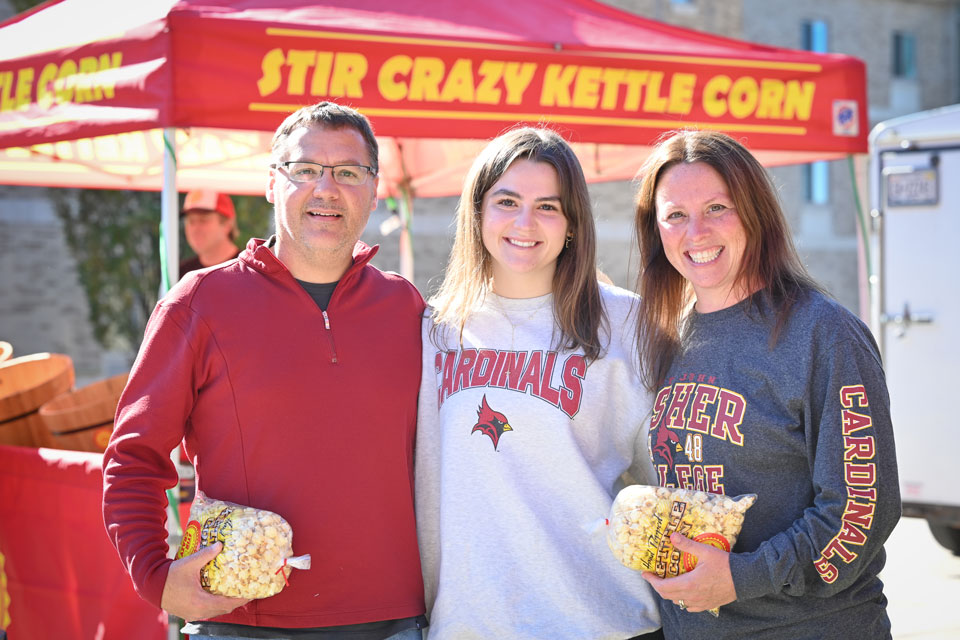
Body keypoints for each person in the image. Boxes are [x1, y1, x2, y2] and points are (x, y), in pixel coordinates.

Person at [102, 101, 427, 640]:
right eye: (305, 170)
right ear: (273, 183)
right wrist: (155, 578)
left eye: (348, 172)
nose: (326, 188)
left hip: (393, 621)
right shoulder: (200, 303)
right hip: (244, 620)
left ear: (374, 192)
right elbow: (133, 456)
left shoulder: (405, 307)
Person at [633, 129, 900, 639]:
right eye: (675, 215)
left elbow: (861, 509)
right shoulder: (668, 336)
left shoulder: (823, 333)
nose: (696, 232)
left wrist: (740, 578)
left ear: (755, 212)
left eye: (717, 207)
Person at [415, 127, 663, 639]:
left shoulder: (625, 324)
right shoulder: (432, 330)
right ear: (478, 212)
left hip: (603, 619)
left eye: (548, 206)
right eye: (507, 201)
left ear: (572, 224)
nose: (525, 223)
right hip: (471, 623)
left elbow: (668, 481)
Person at [179, 190, 242, 278]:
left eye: (203, 220)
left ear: (227, 224)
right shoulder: (181, 273)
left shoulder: (248, 270)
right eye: (191, 221)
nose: (195, 228)